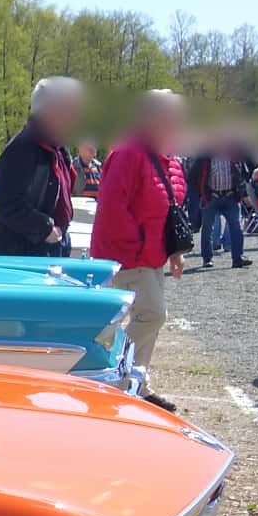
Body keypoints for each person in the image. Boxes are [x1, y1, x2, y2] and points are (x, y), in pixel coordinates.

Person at [91, 90, 188, 412]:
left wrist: (174, 251)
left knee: (149, 317)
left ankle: (134, 383)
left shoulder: (166, 156)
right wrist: (134, 249)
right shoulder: (129, 153)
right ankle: (111, 373)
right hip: (128, 256)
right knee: (153, 314)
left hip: (152, 257)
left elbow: (168, 209)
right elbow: (113, 208)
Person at [0, 76, 83, 258]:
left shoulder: (59, 150)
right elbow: (4, 204)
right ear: (51, 112)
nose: (74, 118)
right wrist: (45, 228)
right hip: (18, 264)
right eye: (68, 111)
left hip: (47, 255)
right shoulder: (22, 149)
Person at [188, 143, 253, 268]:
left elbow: (241, 175)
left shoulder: (234, 156)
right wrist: (203, 194)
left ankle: (238, 257)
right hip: (211, 197)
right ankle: (207, 258)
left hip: (230, 197)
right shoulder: (204, 158)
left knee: (236, 228)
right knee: (207, 229)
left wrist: (242, 194)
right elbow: (192, 177)